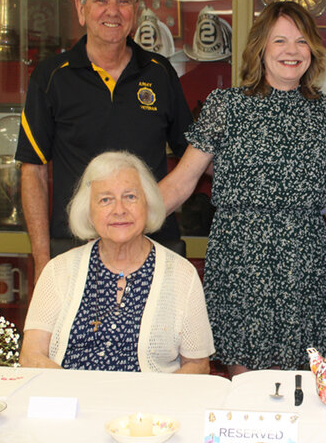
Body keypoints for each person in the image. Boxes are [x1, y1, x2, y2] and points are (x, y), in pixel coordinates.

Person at [160, 1, 326, 376]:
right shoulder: (226, 106)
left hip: (301, 259)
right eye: (280, 41)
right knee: (243, 381)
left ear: (313, 51)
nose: (292, 51)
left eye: (301, 42)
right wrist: (126, 216)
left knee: (300, 380)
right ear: (260, 48)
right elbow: (182, 181)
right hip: (240, 255)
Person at [16, 0, 192, 278]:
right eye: (101, 0)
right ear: (81, 10)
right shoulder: (51, 76)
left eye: (123, 1)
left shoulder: (160, 73)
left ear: (135, 11)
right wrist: (43, 262)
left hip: (152, 249)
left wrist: (153, 210)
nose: (113, 11)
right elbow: (34, 172)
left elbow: (192, 158)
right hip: (74, 252)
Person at [20, 151, 214, 373]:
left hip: (147, 404)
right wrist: (73, 394)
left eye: (130, 196)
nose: (119, 210)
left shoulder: (182, 275)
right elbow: (31, 355)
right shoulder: (58, 270)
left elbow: (197, 365)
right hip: (72, 401)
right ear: (89, 213)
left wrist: (154, 404)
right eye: (105, 200)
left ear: (148, 204)